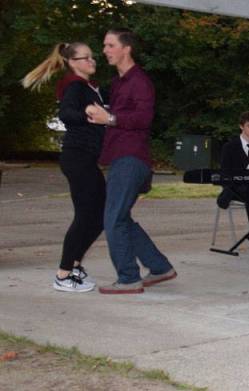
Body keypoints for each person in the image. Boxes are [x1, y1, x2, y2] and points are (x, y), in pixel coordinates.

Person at [85, 28, 176, 294]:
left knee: (112, 219)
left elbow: (143, 119)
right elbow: (119, 115)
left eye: (110, 45)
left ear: (127, 48)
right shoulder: (117, 84)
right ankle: (159, 267)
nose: (105, 50)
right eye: (104, 45)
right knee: (120, 217)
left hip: (131, 159)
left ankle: (128, 278)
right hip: (120, 157)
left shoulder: (140, 82)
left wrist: (110, 118)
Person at [22, 42, 106, 293]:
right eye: (86, 57)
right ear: (73, 62)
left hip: (85, 159)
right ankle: (63, 274)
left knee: (99, 215)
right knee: (86, 216)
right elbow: (67, 114)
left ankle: (75, 266)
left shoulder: (88, 87)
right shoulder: (74, 86)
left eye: (93, 57)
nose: (92, 61)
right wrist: (89, 114)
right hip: (77, 157)